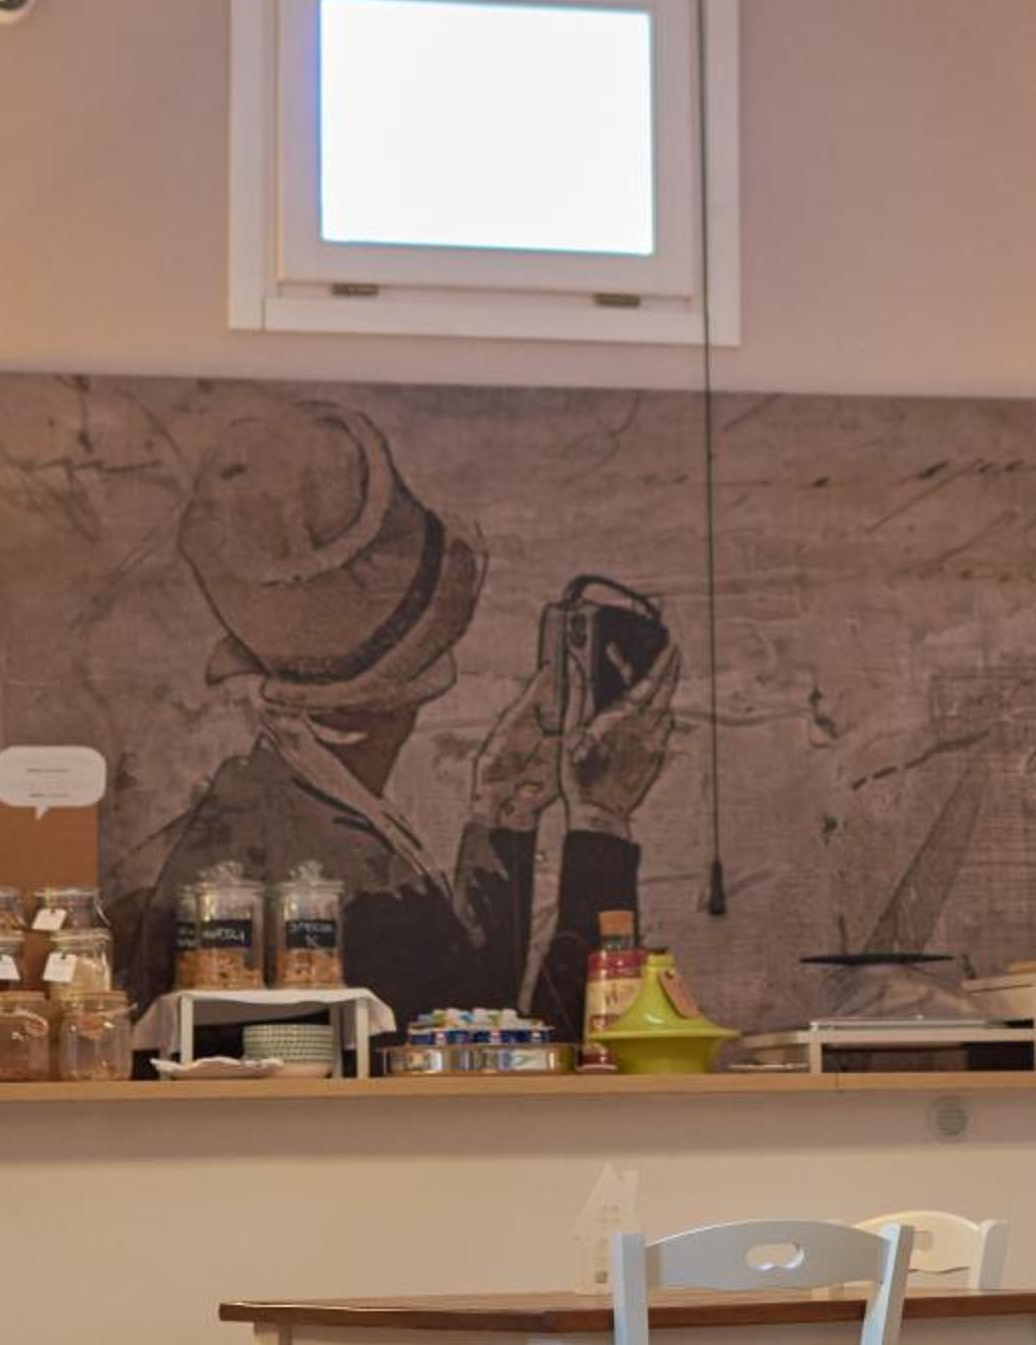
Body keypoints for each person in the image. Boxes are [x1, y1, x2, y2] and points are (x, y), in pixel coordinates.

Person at [136, 401, 678, 1033]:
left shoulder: (266, 809)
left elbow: (459, 1004)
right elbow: (524, 1054)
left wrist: (503, 812)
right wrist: (600, 824)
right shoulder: (331, 878)